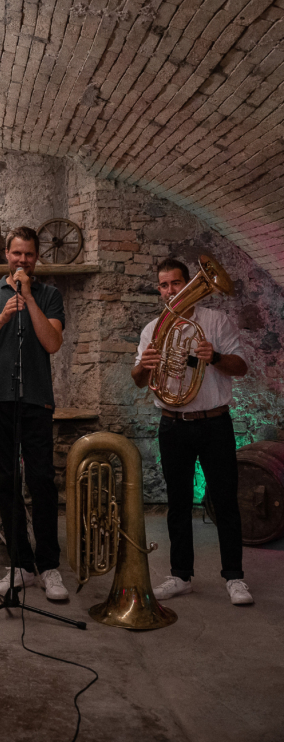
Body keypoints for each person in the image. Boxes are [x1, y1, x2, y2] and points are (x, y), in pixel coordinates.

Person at [131, 258, 253, 606]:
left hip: (214, 423)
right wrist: (145, 366)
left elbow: (241, 367)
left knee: (225, 501)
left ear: (187, 284)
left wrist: (214, 357)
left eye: (176, 283)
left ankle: (234, 577)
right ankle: (181, 575)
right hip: (173, 423)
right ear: (159, 290)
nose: (170, 290)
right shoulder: (153, 329)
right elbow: (138, 380)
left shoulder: (215, 322)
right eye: (164, 285)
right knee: (178, 503)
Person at [0, 226, 69, 601]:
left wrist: (29, 299)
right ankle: (21, 565)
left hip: (36, 400)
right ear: (6, 255)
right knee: (6, 484)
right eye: (17, 253)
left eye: (29, 255)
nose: (23, 260)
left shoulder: (50, 295)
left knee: (42, 482)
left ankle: (49, 566)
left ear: (36, 258)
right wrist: (2, 318)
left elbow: (52, 343)